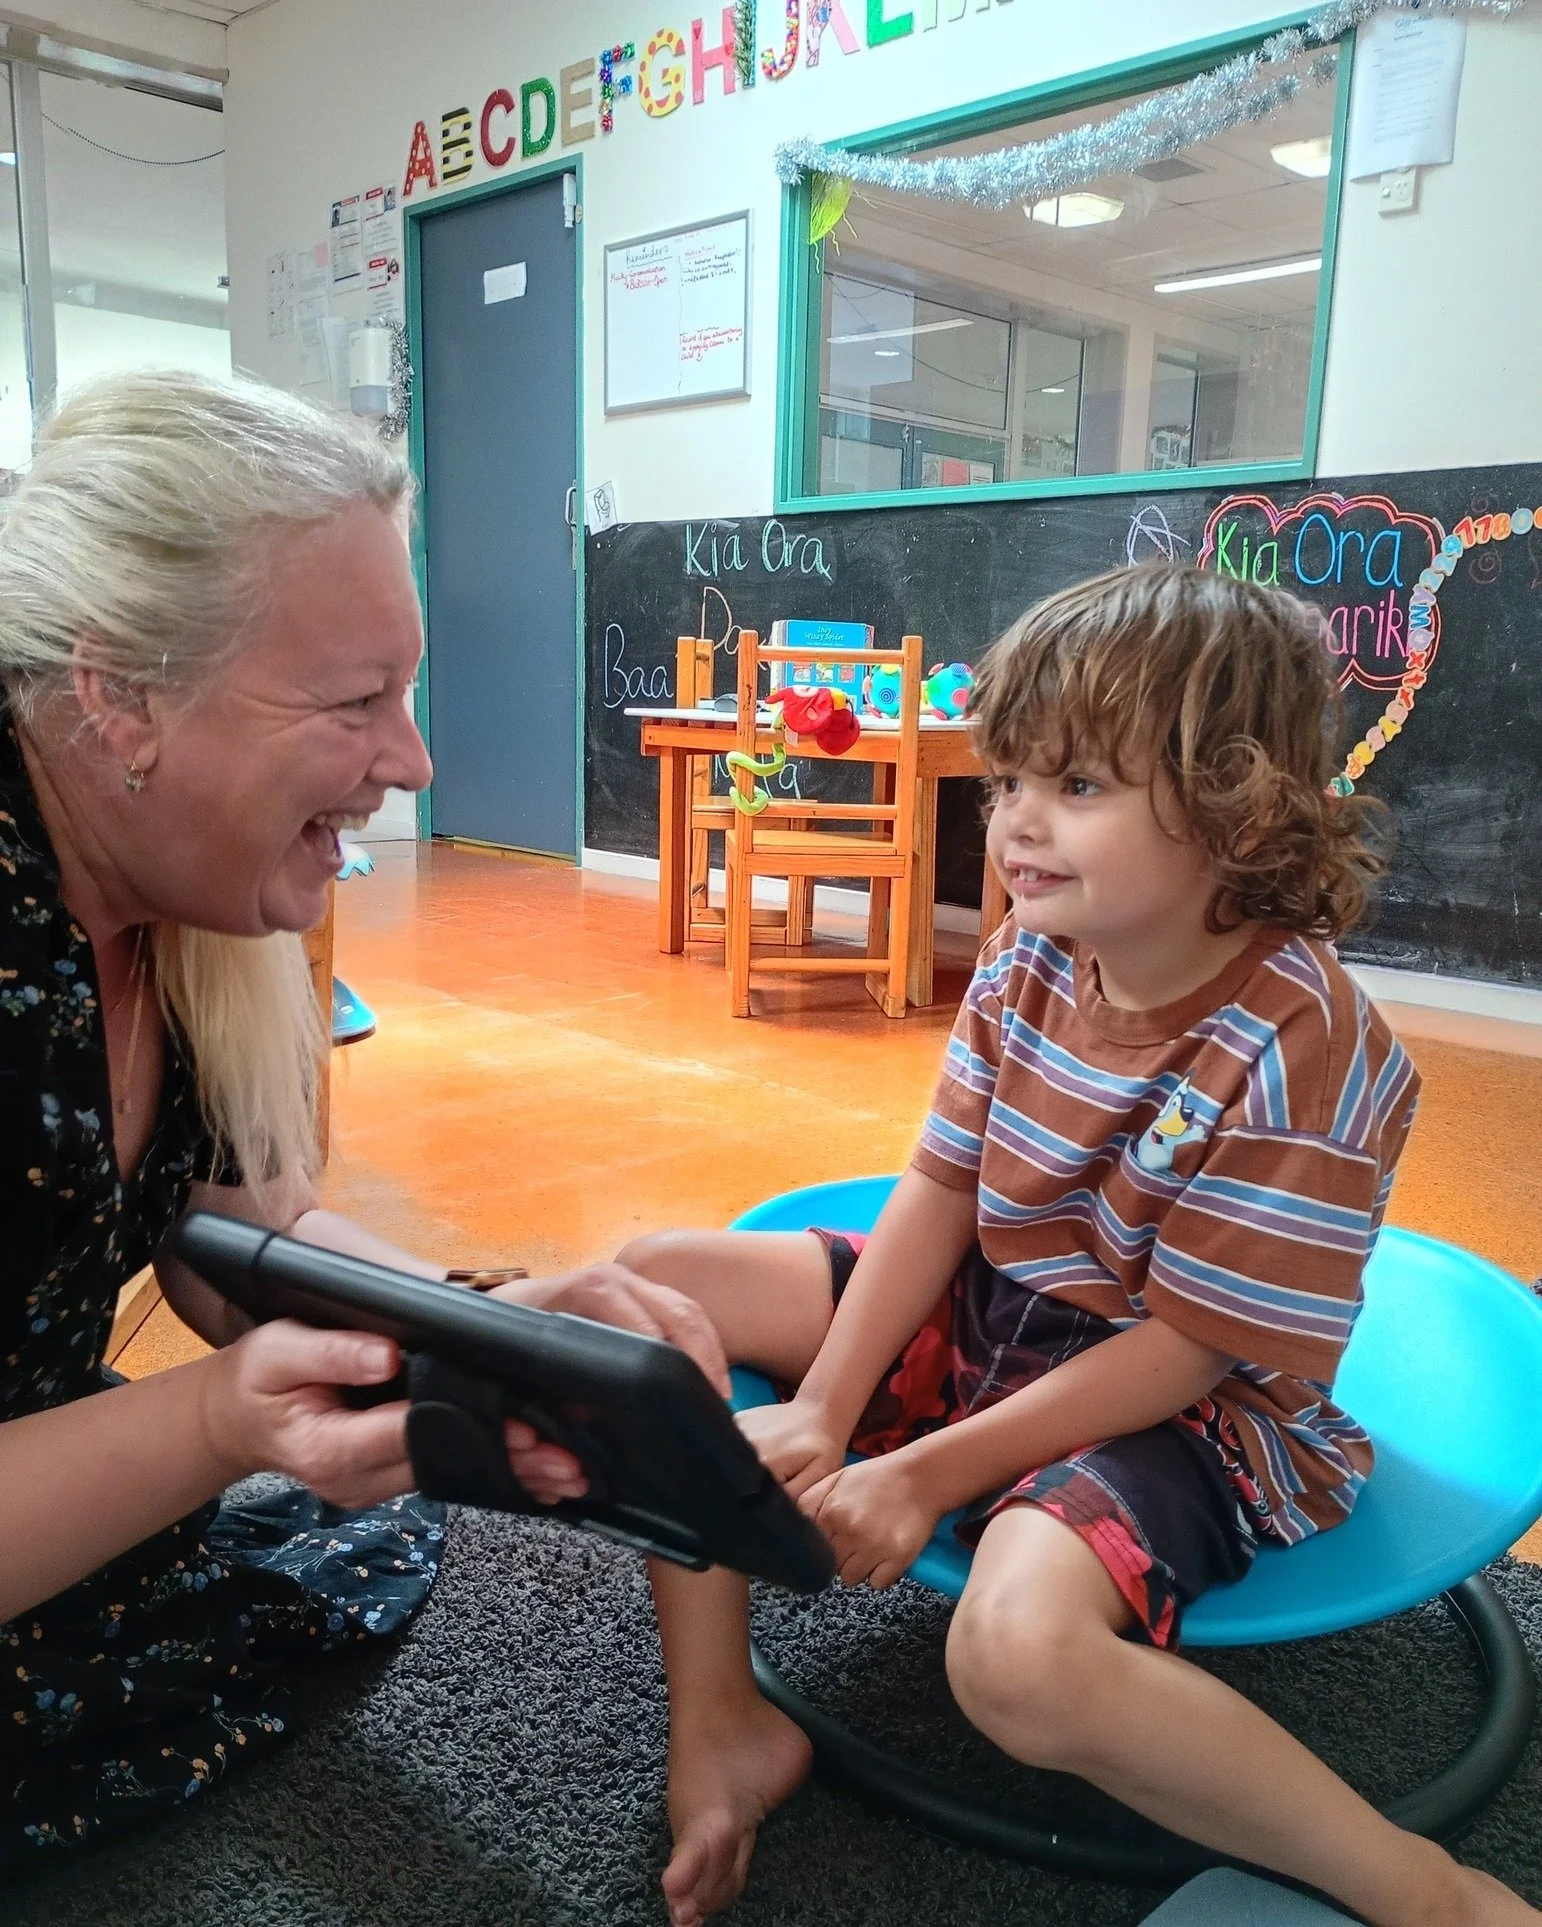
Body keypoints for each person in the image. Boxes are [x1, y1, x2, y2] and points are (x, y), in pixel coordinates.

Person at [619, 565, 1538, 1927]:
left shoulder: (1307, 1041)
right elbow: (933, 1188)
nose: (1013, 825)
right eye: (1007, 783)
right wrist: (822, 1405)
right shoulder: (1030, 952)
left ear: (1238, 805)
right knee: (644, 1292)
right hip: (1001, 1314)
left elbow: (1184, 1356)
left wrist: (922, 1470)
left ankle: (1422, 1893)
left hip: (1189, 1406)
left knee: (1012, 1657)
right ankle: (721, 1722)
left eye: (1078, 787)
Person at [0, 369, 725, 1867]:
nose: (415, 762)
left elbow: (228, 1228)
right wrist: (216, 1418)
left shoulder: (178, 899)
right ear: (116, 693)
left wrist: (482, 1324)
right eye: (352, 703)